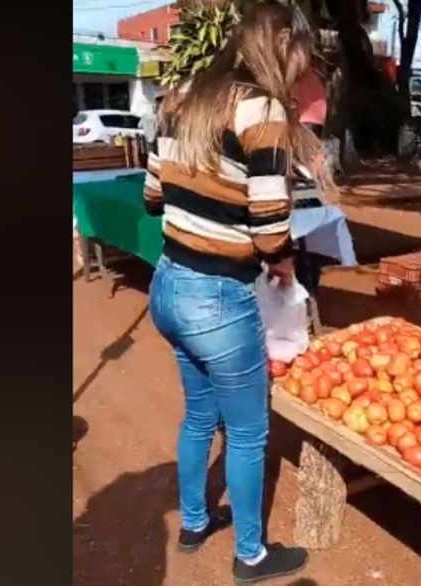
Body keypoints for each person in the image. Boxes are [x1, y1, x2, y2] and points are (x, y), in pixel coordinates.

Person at [143, 2, 319, 583]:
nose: (301, 68)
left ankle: (194, 521)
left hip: (167, 283)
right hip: (217, 297)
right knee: (247, 431)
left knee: (198, 415)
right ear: (283, 44)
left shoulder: (183, 93)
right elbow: (270, 225)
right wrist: (286, 266)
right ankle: (251, 555)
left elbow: (152, 193)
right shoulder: (261, 108)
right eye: (302, 56)